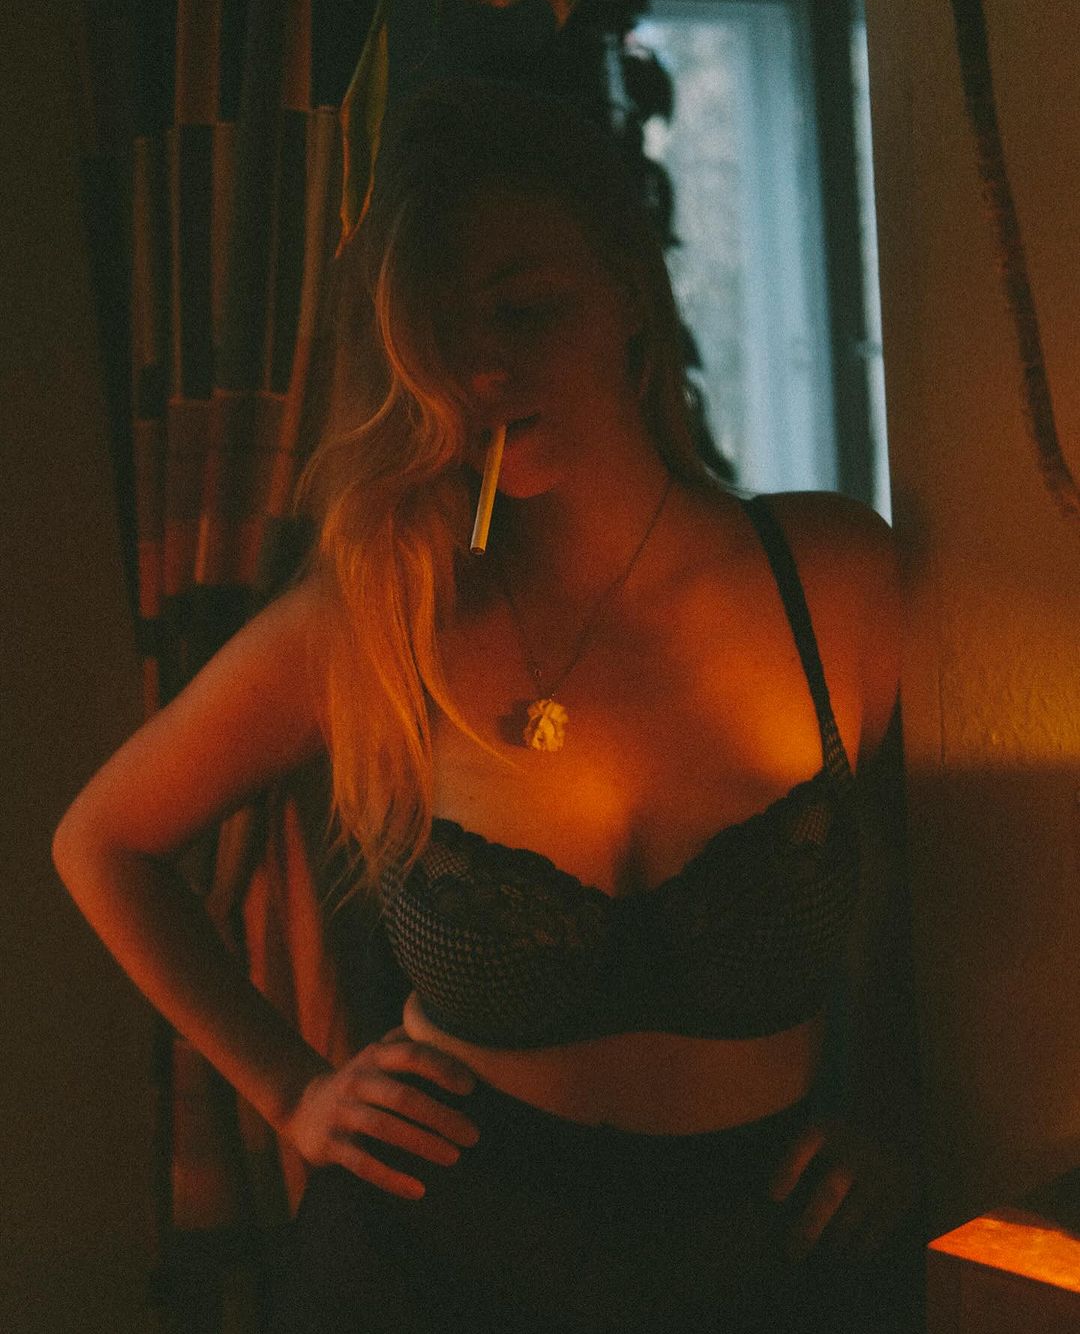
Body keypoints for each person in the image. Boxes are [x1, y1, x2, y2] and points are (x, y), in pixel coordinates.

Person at [53, 78, 915, 1333]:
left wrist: (891, 1107)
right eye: (441, 336)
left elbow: (937, 883)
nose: (486, 371)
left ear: (631, 292)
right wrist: (295, 1094)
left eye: (527, 308)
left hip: (766, 1259)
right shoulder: (379, 619)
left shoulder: (834, 579)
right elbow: (103, 840)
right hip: (430, 1261)